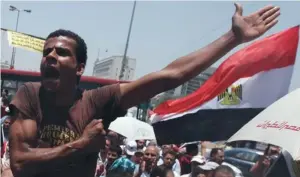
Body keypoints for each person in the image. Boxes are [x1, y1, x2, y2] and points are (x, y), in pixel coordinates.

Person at [8, 3, 280, 177]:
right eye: (47, 52)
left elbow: (169, 76)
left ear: (79, 68)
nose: (50, 56)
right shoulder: (31, 95)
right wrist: (80, 145)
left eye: (61, 52)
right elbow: (20, 163)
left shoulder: (98, 100)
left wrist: (233, 37)